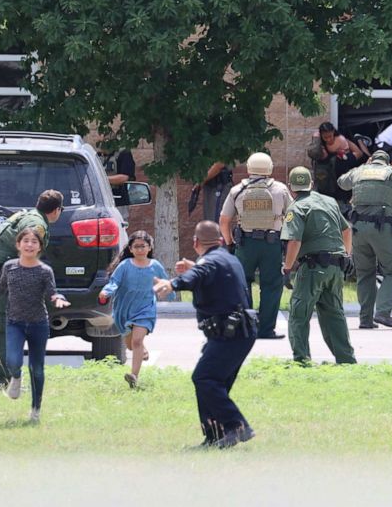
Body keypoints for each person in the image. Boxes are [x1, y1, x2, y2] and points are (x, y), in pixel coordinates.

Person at [152, 221, 256, 449]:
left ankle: (236, 426)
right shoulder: (228, 258)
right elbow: (207, 270)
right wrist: (194, 266)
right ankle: (215, 437)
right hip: (237, 332)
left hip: (230, 332)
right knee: (213, 384)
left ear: (196, 242)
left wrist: (171, 284)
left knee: (204, 378)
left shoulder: (209, 262)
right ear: (220, 241)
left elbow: (199, 272)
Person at [0, 227, 71, 424]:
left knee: (37, 369)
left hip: (38, 325)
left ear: (40, 248)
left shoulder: (45, 271)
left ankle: (35, 410)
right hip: (15, 323)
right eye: (25, 241)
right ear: (18, 245)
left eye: (34, 242)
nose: (29, 245)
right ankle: (16, 378)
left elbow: (53, 292)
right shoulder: (9, 267)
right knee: (12, 360)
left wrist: (58, 298)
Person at [0, 189, 64, 387]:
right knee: (3, 328)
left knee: (6, 327)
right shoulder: (37, 225)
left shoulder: (24, 214)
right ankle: (3, 380)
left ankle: (7, 376)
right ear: (57, 210)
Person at [281, 167, 357, 364]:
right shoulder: (329, 202)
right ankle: (346, 360)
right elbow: (347, 230)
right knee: (334, 315)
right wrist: (347, 256)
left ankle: (302, 360)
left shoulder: (296, 207)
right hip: (336, 267)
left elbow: (294, 241)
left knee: (299, 313)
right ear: (311, 184)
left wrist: (287, 268)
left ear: (291, 188)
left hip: (313, 268)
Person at [219, 152, 293, 339]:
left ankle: (246, 328)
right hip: (272, 244)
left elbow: (224, 220)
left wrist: (229, 243)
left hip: (245, 243)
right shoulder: (280, 189)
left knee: (242, 285)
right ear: (269, 168)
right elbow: (293, 216)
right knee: (271, 286)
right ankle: (266, 329)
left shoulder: (237, 190)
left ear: (249, 168)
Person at [337, 150, 392, 329]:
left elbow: (341, 182)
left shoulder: (359, 171)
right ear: (387, 162)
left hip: (358, 230)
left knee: (365, 273)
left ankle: (365, 319)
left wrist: (362, 166)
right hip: (383, 228)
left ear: (372, 160)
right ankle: (383, 313)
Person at [100, 231, 169, 388]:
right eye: (136, 246)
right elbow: (114, 282)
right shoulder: (125, 266)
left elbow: (164, 282)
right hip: (124, 309)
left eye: (143, 246)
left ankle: (134, 376)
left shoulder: (155, 266)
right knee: (132, 345)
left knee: (137, 341)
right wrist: (106, 292)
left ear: (149, 247)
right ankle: (142, 350)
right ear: (130, 249)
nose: (140, 249)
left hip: (146, 308)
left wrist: (168, 292)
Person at [307, 122, 369, 216]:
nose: (329, 140)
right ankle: (359, 140)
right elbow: (359, 153)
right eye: (326, 137)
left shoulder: (317, 162)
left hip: (323, 198)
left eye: (330, 136)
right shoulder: (340, 160)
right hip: (341, 200)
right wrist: (347, 142)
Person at [99, 148, 136, 221]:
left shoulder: (123, 153)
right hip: (97, 200)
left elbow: (124, 177)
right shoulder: (92, 154)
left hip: (117, 201)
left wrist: (100, 179)